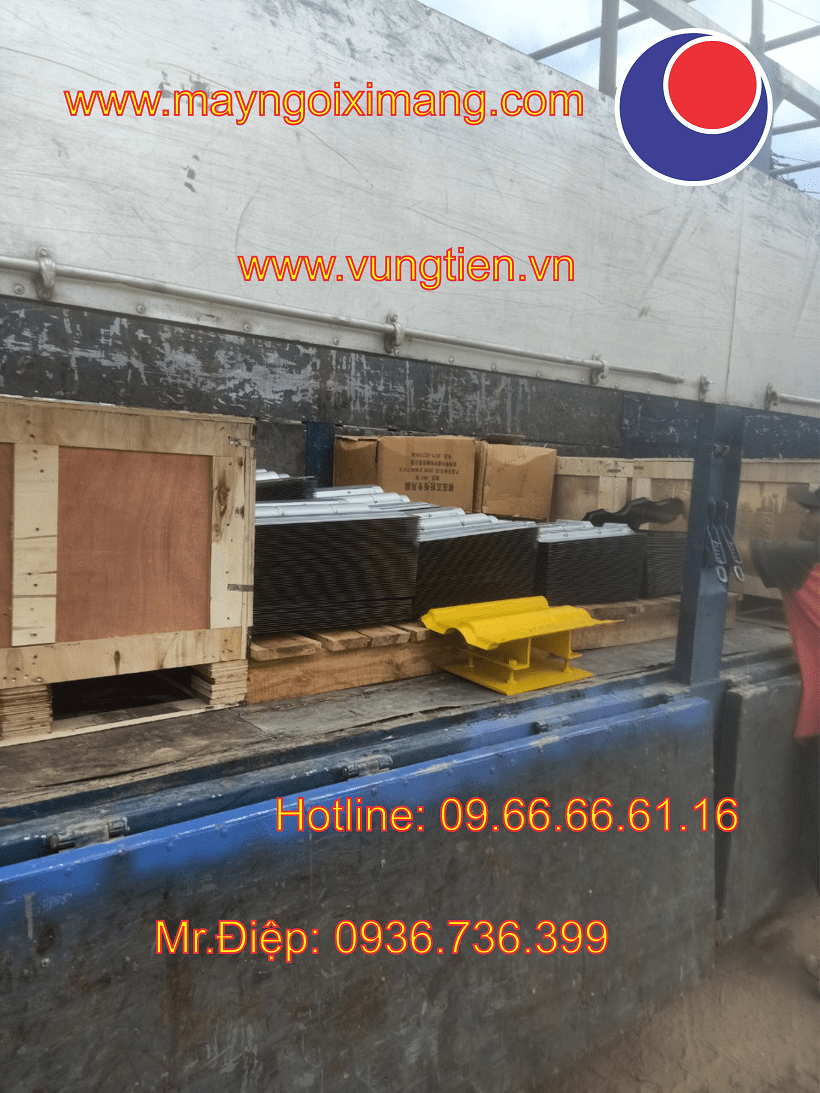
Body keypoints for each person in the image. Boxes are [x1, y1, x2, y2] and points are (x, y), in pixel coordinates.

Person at [751, 485, 819, 984]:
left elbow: (732, 551)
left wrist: (677, 512)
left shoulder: (805, 562)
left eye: (813, 512)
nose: (804, 519)